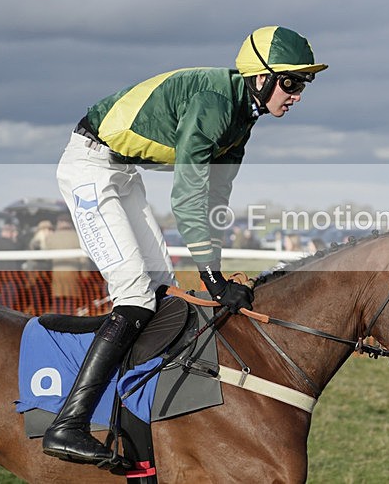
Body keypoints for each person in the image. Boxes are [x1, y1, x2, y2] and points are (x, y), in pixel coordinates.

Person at [42, 26, 327, 467]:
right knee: (135, 295)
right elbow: (187, 196)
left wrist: (217, 267)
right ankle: (69, 424)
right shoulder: (214, 105)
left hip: (121, 173)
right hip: (89, 169)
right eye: (290, 82)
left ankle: (137, 414)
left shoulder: (242, 119)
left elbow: (214, 200)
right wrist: (212, 280)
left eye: (303, 84)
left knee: (162, 293)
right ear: (261, 77)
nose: (297, 94)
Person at [46, 214, 89, 314]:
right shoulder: (76, 236)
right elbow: (83, 258)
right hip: (72, 274)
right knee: (71, 301)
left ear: (59, 223)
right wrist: (85, 273)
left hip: (57, 273)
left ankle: (55, 324)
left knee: (58, 301)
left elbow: (46, 253)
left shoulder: (52, 237)